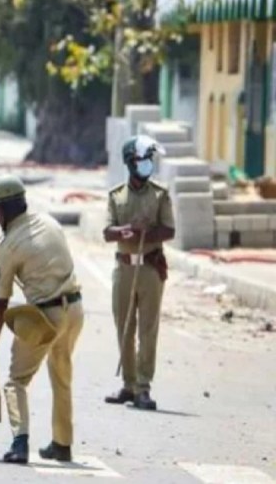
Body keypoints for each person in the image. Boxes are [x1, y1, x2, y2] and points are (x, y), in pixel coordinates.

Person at [0, 173, 84, 465]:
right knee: (61, 374)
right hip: (75, 309)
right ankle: (62, 444)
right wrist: (2, 250)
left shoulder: (9, 246)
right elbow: (36, 253)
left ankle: (20, 442)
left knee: (16, 381)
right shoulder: (48, 222)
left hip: (46, 315)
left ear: (3, 210)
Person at [103, 135, 174, 411]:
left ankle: (144, 387)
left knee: (148, 328)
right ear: (131, 163)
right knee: (124, 327)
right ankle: (128, 385)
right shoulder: (115, 195)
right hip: (124, 267)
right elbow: (107, 232)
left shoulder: (160, 194)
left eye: (150, 161)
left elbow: (170, 229)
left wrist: (149, 231)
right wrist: (124, 230)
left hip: (150, 268)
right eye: (143, 160)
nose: (147, 166)